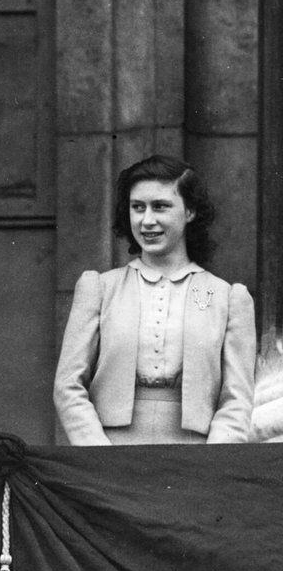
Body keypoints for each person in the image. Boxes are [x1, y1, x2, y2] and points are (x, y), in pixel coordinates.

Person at [54, 155, 256, 444]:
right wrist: (97, 453)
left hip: (195, 458)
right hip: (108, 453)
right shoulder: (99, 288)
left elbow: (237, 399)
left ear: (190, 212)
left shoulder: (228, 298)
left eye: (160, 207)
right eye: (138, 208)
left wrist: (211, 464)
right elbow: (68, 386)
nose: (147, 220)